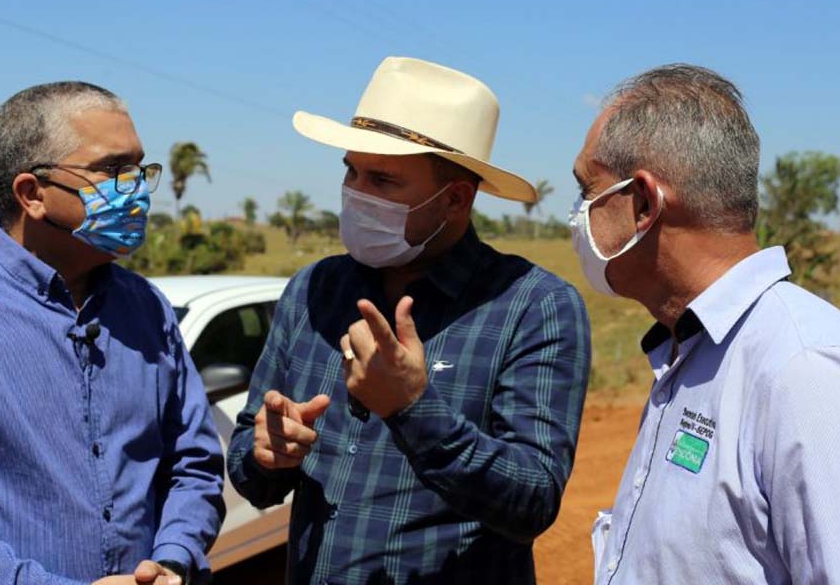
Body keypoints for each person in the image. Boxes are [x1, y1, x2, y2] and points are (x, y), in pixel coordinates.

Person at [226, 57, 592, 583]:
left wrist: (412, 408)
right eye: (351, 170)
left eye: (383, 179)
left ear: (455, 200)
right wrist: (265, 454)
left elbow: (532, 500)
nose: (356, 192)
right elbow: (249, 462)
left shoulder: (532, 306)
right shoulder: (313, 289)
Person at [569, 64, 840, 583]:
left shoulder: (806, 373)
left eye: (588, 190)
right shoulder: (691, 350)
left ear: (644, 203)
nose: (579, 214)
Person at [0, 82, 225, 585]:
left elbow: (193, 464)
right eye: (111, 171)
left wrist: (171, 561)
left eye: (137, 168)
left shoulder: (146, 307)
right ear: (32, 194)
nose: (134, 188)